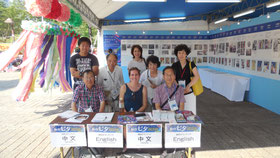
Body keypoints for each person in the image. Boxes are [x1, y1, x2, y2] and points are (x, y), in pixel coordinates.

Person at [171, 44, 201, 114]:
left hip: (189, 91)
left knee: (190, 111)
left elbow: (197, 76)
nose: (181, 55)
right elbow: (172, 77)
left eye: (183, 53)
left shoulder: (191, 64)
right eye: (179, 53)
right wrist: (178, 87)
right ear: (177, 54)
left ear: (186, 54)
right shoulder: (174, 65)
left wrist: (188, 86)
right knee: (179, 112)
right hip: (178, 91)